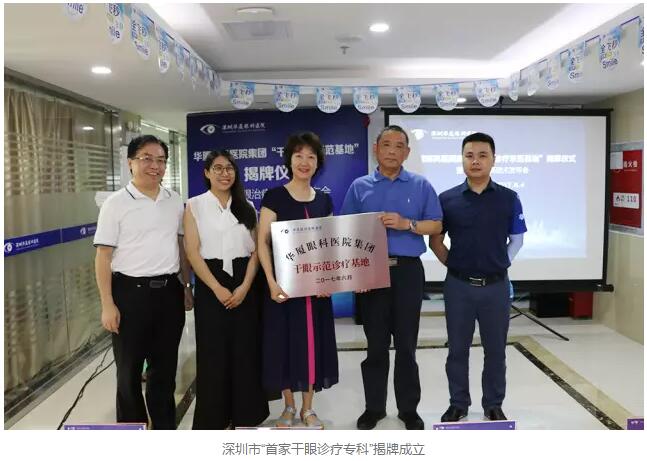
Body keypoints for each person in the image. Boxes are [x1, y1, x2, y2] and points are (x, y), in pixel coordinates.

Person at [340, 125, 443, 430]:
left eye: (399, 146)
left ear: (407, 152)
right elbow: (345, 229)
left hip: (408, 272)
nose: (392, 151)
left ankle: (408, 409)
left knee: (407, 345)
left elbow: (436, 225)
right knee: (375, 345)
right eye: (387, 145)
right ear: (376, 149)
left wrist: (407, 224)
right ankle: (374, 408)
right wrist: (354, 274)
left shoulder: (421, 185)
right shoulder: (359, 187)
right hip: (371, 271)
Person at [94, 135, 193, 429]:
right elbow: (103, 256)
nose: (155, 166)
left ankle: (164, 430)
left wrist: (186, 286)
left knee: (164, 371)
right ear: (131, 163)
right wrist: (107, 304)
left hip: (168, 293)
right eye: (147, 158)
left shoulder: (173, 200)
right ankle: (132, 433)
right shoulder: (115, 204)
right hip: (129, 294)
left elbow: (180, 245)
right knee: (128, 373)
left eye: (161, 160)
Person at [429, 132, 526, 422]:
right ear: (462, 159)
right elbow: (436, 241)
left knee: (495, 351)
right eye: (469, 155)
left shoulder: (509, 198)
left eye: (483, 155)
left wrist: (498, 264)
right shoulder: (447, 199)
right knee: (457, 350)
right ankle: (458, 403)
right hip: (458, 286)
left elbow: (517, 239)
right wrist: (454, 265)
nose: (475, 161)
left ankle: (493, 404)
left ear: (494, 160)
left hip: (495, 287)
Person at [257, 131, 339, 429]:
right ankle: (289, 406)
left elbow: (331, 245)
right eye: (298, 156)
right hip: (283, 288)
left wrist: (328, 281)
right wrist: (271, 282)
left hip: (316, 291)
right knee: (284, 344)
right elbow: (262, 242)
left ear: (318, 163)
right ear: (289, 161)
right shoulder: (274, 197)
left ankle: (308, 408)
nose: (305, 162)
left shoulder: (324, 200)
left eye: (311, 157)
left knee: (313, 345)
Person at [183, 150, 269, 429]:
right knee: (214, 352)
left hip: (246, 281)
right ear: (207, 172)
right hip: (211, 282)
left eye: (229, 168)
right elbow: (192, 252)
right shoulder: (194, 206)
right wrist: (216, 287)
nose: (224, 173)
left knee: (245, 350)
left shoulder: (247, 206)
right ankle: (214, 419)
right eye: (218, 168)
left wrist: (245, 286)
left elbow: (257, 251)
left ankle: (246, 415)